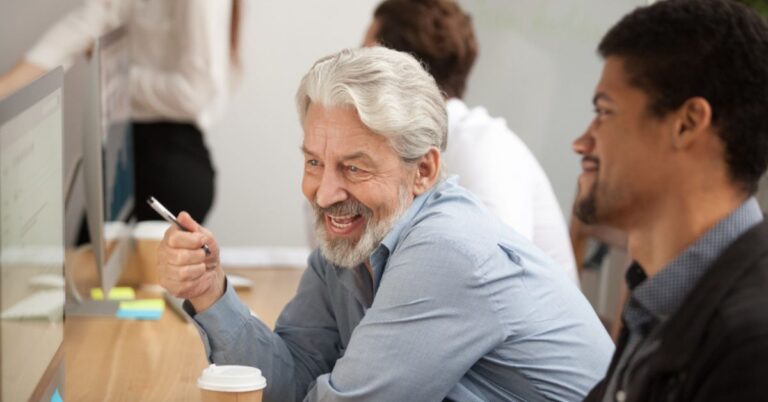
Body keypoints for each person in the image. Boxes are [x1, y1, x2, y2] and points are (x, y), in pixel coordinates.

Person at [158, 47, 613, 402]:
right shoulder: (350, 243)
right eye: (315, 162)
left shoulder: (448, 252)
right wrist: (210, 292)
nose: (324, 193)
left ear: (424, 171)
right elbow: (286, 382)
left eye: (354, 168)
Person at [571, 1, 768, 400]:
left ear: (687, 123)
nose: (581, 142)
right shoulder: (663, 301)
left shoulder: (750, 344)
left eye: (605, 112)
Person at [362, 0, 579, 284]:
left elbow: (495, 281)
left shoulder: (485, 148)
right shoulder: (424, 146)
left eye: (364, 59)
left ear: (392, 70)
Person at [0, 0, 242, 223]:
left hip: (171, 162)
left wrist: (114, 76)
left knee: (98, 266)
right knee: (84, 264)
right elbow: (74, 32)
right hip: (124, 148)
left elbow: (195, 95)